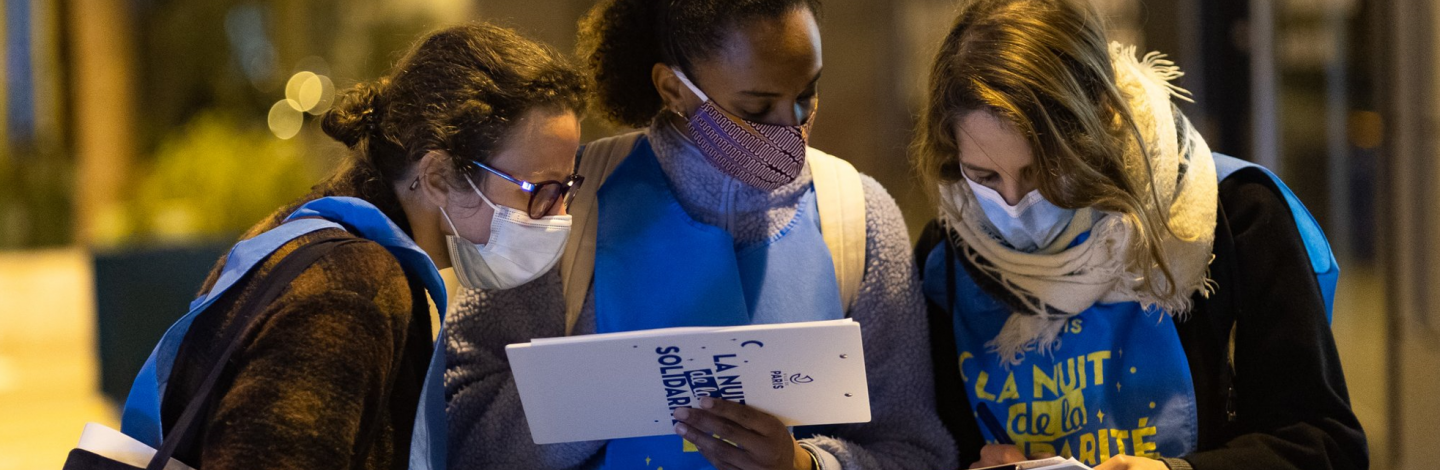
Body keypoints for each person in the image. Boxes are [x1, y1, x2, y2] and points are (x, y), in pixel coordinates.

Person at [444, 1, 957, 469]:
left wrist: (805, 465)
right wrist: (603, 384)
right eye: (756, 109)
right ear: (673, 89)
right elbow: (462, 431)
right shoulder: (569, 203)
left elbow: (915, 451)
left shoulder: (858, 216)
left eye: (806, 95)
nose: (791, 130)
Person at [909, 1, 1368, 469]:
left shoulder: (1233, 217)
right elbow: (925, 445)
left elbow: (1328, 446)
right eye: (984, 177)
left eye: (1040, 172)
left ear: (1102, 120)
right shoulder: (947, 260)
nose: (1013, 204)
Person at [117, 23, 587, 469]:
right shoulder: (351, 294)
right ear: (439, 176)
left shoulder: (301, 233)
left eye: (567, 188)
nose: (558, 214)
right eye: (541, 190)